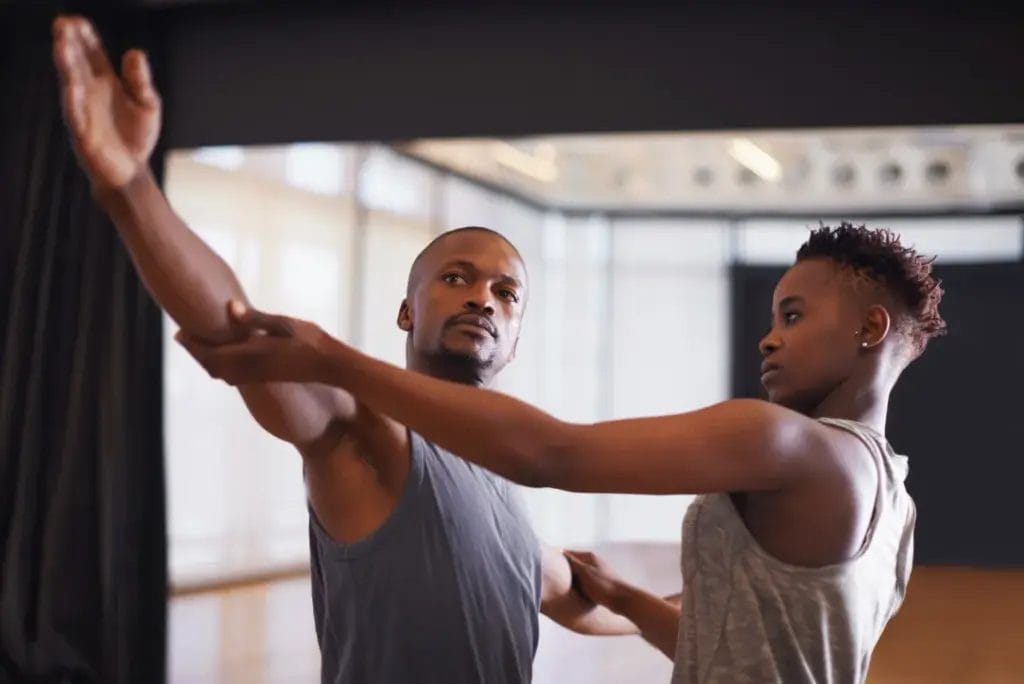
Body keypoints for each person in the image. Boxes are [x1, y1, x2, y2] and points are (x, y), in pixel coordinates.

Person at [50, 14, 660, 684]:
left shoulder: (505, 481)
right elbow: (241, 333)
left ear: (516, 335)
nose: (483, 297)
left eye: (506, 292)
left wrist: (750, 591)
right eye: (456, 278)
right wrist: (130, 188)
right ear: (407, 310)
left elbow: (581, 599)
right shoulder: (366, 432)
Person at [182, 222, 945, 683]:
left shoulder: (783, 440)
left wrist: (333, 359)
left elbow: (552, 454)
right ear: (409, 308)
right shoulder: (895, 502)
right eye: (457, 279)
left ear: (870, 329)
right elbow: (748, 650)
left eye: (793, 314)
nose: (769, 335)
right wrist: (624, 600)